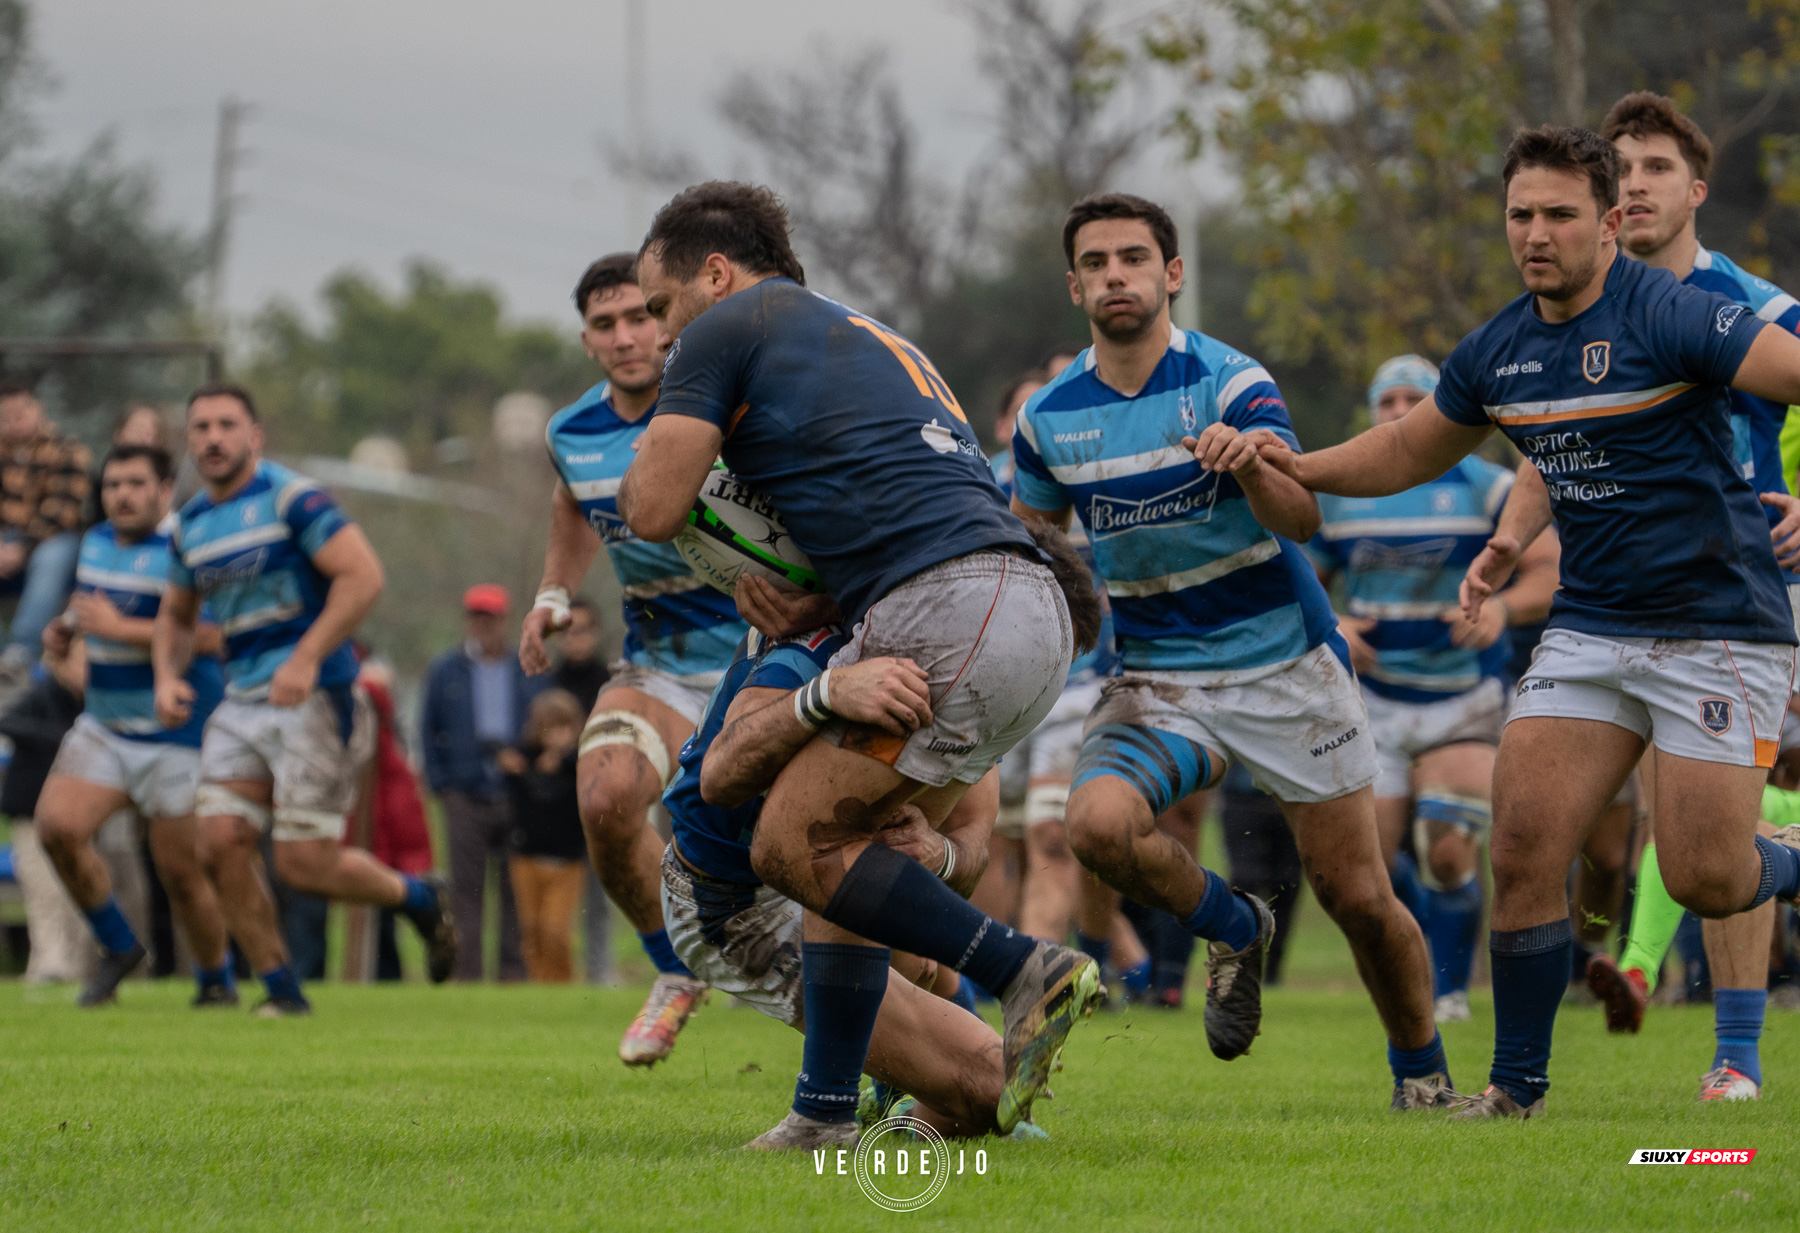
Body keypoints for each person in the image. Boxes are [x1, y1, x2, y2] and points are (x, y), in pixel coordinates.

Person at [1253, 125, 1800, 1118]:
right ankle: (1516, 1091)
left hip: (1719, 621)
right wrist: (1291, 465)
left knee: (1707, 875)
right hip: (1592, 627)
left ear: (1609, 222)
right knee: (1521, 846)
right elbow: (1407, 452)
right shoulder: (1500, 349)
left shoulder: (1677, 314)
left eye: (1559, 214)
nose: (1536, 234)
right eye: (1521, 215)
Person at [621, 180, 1103, 1135]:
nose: (663, 334)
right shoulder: (865, 337)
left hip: (951, 602)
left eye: (663, 308)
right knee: (853, 852)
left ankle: (1024, 968)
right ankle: (830, 1112)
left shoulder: (733, 324)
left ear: (715, 273)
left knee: (790, 845)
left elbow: (650, 509)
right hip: (1024, 606)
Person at [1010, 192, 1449, 1108]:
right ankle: (1231, 923)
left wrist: (1251, 463)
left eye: (1134, 258)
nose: (1115, 276)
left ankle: (1424, 1075)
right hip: (1157, 678)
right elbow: (1034, 552)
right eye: (1096, 263)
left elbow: (1303, 514)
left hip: (1284, 665)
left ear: (1171, 274)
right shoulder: (1048, 419)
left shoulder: (1229, 380)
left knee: (1358, 896)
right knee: (1093, 826)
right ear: (1073, 285)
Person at [1560, 92, 1800, 1102]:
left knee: (1725, 824)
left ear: (1695, 189)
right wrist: (1509, 538)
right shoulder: (1578, 310)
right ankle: (1651, 993)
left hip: (1759, 598)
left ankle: (1735, 1061)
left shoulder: (1762, 311)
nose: (1637, 184)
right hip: (1636, 602)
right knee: (1701, 834)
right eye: (1620, 169)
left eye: (1656, 166)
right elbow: (1549, 438)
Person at [152, 383, 456, 1016]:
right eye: (200, 427)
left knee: (302, 864)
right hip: (243, 702)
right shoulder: (188, 525)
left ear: (254, 437)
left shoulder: (293, 499)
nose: (213, 437)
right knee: (218, 841)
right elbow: (176, 615)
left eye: (226, 425)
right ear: (189, 441)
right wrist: (166, 675)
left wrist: (307, 656)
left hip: (318, 696)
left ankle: (419, 899)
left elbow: (363, 575)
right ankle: (282, 992)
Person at [520, 253, 748, 1063]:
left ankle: (955, 1033)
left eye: (638, 316)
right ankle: (675, 969)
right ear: (586, 339)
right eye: (605, 324)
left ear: (666, 315)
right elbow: (571, 502)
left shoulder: (728, 401)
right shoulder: (570, 432)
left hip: (769, 655)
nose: (626, 336)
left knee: (806, 860)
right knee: (607, 796)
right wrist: (553, 591)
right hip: (658, 656)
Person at [666, 622, 1014, 1148]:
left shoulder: (959, 665)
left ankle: (890, 1096)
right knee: (991, 1088)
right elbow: (718, 779)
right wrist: (825, 694)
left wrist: (937, 853)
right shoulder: (814, 638)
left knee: (989, 1075)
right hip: (732, 903)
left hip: (825, 894)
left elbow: (972, 853)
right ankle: (824, 1115)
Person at [1309, 355, 1561, 1023]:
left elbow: (1545, 566)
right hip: (1373, 701)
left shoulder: (1487, 486)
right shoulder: (1342, 491)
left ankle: (1449, 988)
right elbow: (1299, 573)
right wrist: (1328, 619)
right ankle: (1418, 959)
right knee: (1371, 869)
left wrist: (1504, 610)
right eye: (1384, 399)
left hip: (1462, 697)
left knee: (1449, 847)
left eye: (1411, 399)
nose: (1396, 411)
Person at [33, 444, 234, 1008]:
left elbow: (215, 636)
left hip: (176, 734)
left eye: (135, 483)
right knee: (56, 829)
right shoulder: (94, 543)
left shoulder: (187, 545)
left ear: (164, 489)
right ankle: (120, 947)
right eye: (113, 484)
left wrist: (120, 628)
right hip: (105, 726)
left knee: (182, 875)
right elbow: (88, 611)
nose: (122, 494)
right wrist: (65, 633)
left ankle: (216, 980)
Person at [420, 584, 540, 982]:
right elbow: (427, 730)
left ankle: (511, 974)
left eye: (490, 617)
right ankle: (466, 973)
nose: (483, 625)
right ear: (467, 621)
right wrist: (443, 785)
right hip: (464, 795)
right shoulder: (445, 670)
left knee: (514, 891)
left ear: (504, 621)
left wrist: (530, 766)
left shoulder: (525, 667)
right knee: (465, 892)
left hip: (514, 795)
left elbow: (545, 722)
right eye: (476, 616)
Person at [0, 380, 90, 683]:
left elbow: (61, 513)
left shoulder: (68, 450)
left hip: (53, 541)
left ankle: (21, 652)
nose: (15, 420)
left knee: (51, 556)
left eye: (21, 411)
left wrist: (20, 548)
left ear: (38, 409)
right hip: (5, 542)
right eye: (6, 415)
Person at [500, 689, 587, 982]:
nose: (558, 736)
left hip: (566, 862)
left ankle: (562, 984)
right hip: (526, 857)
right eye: (551, 729)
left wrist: (561, 763)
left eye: (565, 728)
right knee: (532, 930)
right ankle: (540, 986)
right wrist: (517, 772)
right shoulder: (522, 761)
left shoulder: (580, 764)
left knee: (556, 931)